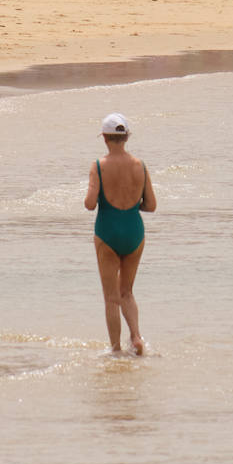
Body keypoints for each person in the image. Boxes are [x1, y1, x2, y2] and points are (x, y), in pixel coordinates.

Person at [85, 113, 156, 355]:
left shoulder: (99, 166)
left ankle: (115, 351)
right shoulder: (140, 165)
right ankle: (136, 337)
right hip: (134, 231)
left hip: (108, 232)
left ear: (105, 138)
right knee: (127, 292)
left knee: (111, 298)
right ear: (126, 137)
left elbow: (90, 204)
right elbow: (151, 205)